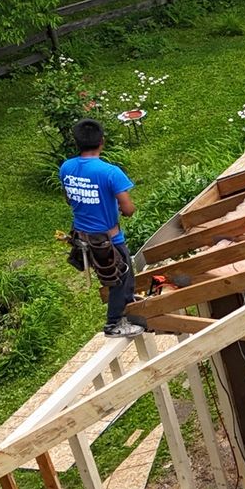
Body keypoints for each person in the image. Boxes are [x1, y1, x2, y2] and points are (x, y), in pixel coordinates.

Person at [60, 119, 143, 338]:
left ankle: (128, 306)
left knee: (121, 276)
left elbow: (69, 198)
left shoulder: (66, 167)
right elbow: (129, 208)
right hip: (108, 239)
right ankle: (114, 323)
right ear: (102, 142)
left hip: (83, 234)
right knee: (121, 277)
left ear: (76, 143)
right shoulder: (110, 172)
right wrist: (121, 209)